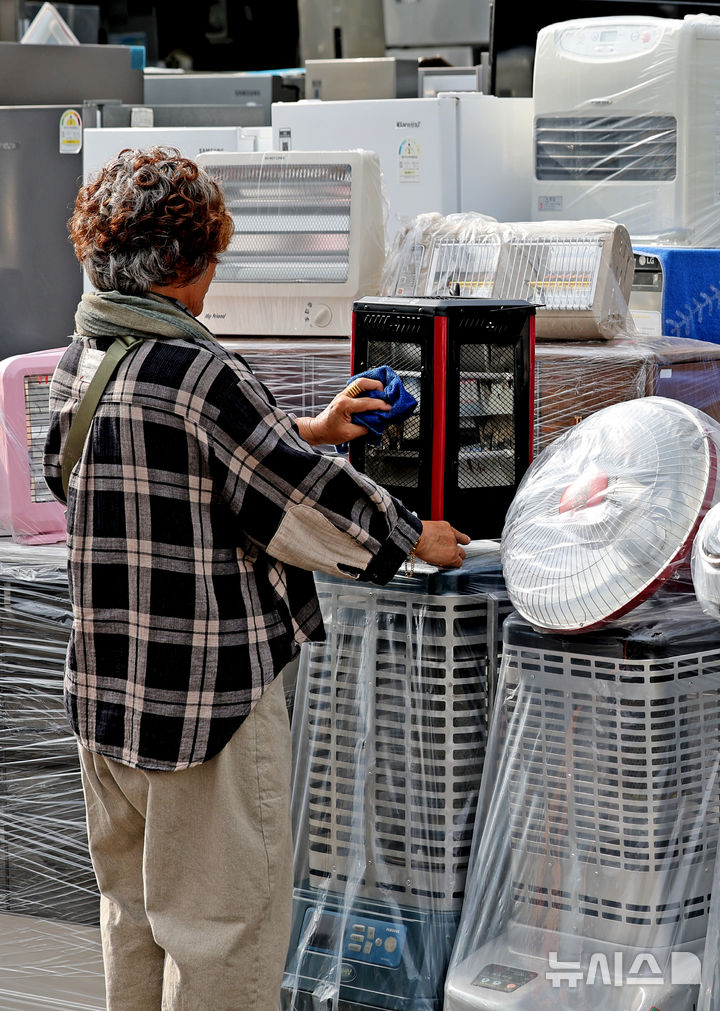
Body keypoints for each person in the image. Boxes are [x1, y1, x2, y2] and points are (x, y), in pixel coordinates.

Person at [43, 146, 469, 1011]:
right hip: (207, 714)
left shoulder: (85, 353)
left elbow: (129, 463)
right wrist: (413, 535)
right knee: (222, 936)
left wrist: (308, 426)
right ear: (185, 266)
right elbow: (302, 505)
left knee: (136, 920)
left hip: (107, 702)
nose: (212, 287)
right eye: (211, 265)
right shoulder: (197, 370)